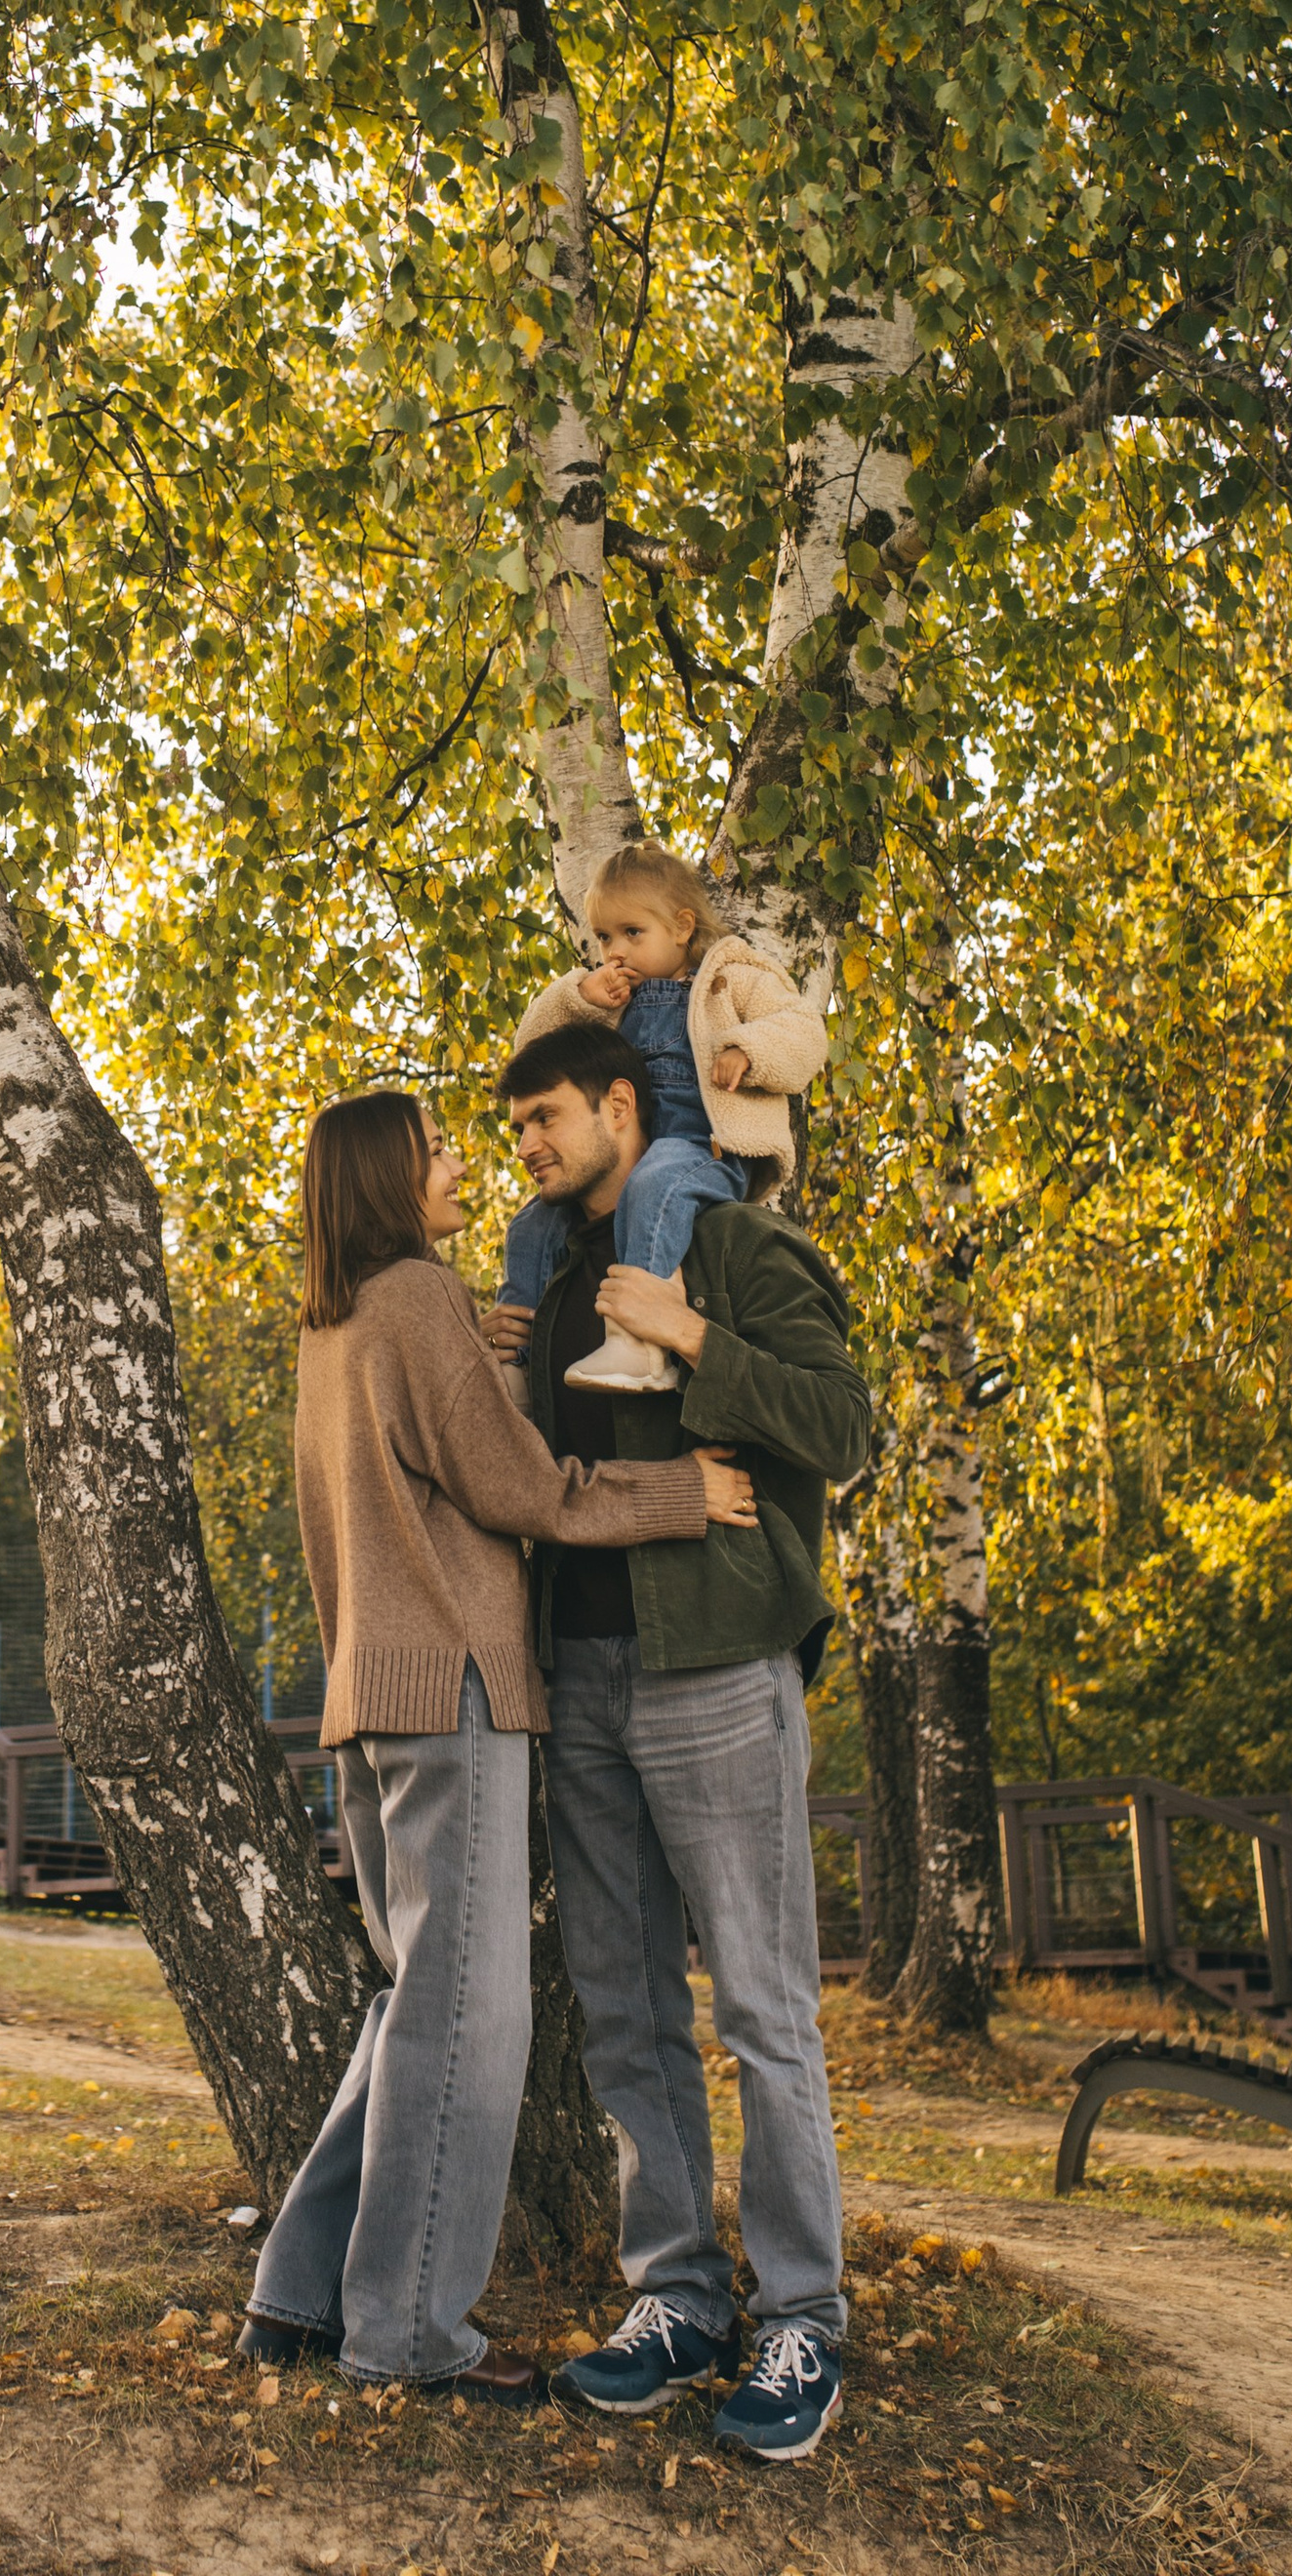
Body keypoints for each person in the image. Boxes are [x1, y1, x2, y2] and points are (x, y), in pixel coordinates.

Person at [239, 1088, 759, 2410]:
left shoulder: (339, 1323)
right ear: (388, 1181)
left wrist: (501, 1357)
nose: (465, 1161)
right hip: (452, 1692)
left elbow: (424, 1484)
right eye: (438, 1150)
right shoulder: (416, 1299)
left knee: (408, 2011)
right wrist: (681, 1495)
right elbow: (520, 1490)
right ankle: (407, 2333)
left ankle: (297, 2296)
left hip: (369, 1700)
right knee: (468, 2018)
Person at [485, 1015, 872, 2466]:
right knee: (628, 2008)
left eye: (545, 1119)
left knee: (765, 2009)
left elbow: (846, 1426)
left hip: (714, 1665)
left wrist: (693, 1339)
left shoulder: (726, 1246)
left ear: (618, 1107)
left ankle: (802, 2319)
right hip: (574, 1671)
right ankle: (678, 2302)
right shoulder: (539, 1275)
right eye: (515, 1129)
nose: (527, 1146)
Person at [492, 844, 828, 1380]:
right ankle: (517, 1365)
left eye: (631, 933)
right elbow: (529, 1058)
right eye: (603, 938)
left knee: (656, 1184)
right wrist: (580, 994)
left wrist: (747, 1049)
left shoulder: (730, 977)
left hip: (707, 1146)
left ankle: (637, 1342)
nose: (614, 952)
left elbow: (806, 1031)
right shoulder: (612, 997)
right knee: (532, 1224)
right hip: (641, 1154)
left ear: (682, 927)